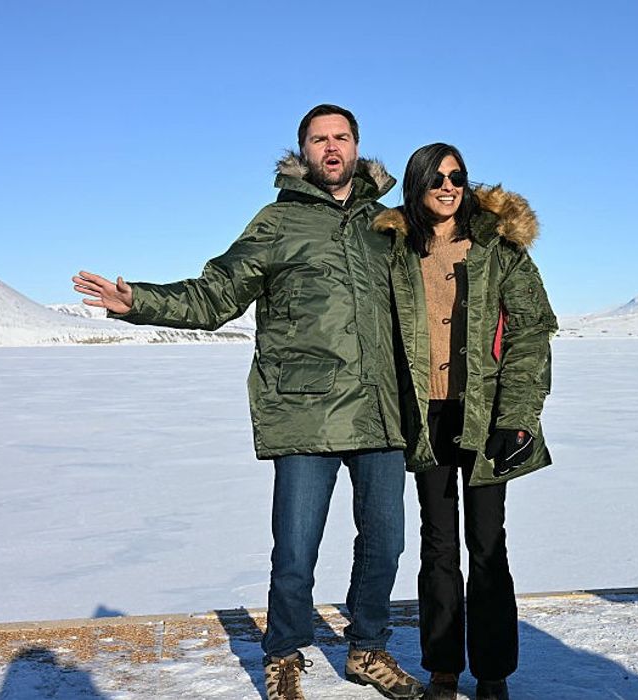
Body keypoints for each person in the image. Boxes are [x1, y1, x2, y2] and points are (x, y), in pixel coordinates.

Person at [73, 104, 424, 700]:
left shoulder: (389, 223)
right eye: (319, 140)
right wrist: (137, 301)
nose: (331, 148)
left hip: (382, 411)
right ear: (303, 153)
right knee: (294, 551)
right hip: (303, 411)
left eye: (341, 138)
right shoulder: (277, 223)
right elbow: (215, 295)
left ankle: (367, 650)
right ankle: (284, 654)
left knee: (385, 543)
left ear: (358, 148)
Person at [372, 144, 558, 700]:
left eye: (456, 177)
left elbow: (530, 331)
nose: (448, 187)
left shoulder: (498, 248)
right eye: (436, 179)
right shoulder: (395, 250)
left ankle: (494, 671)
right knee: (438, 544)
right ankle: (443, 666)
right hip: (425, 417)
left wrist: (518, 416)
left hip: (486, 415)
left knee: (487, 542)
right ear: (418, 186)